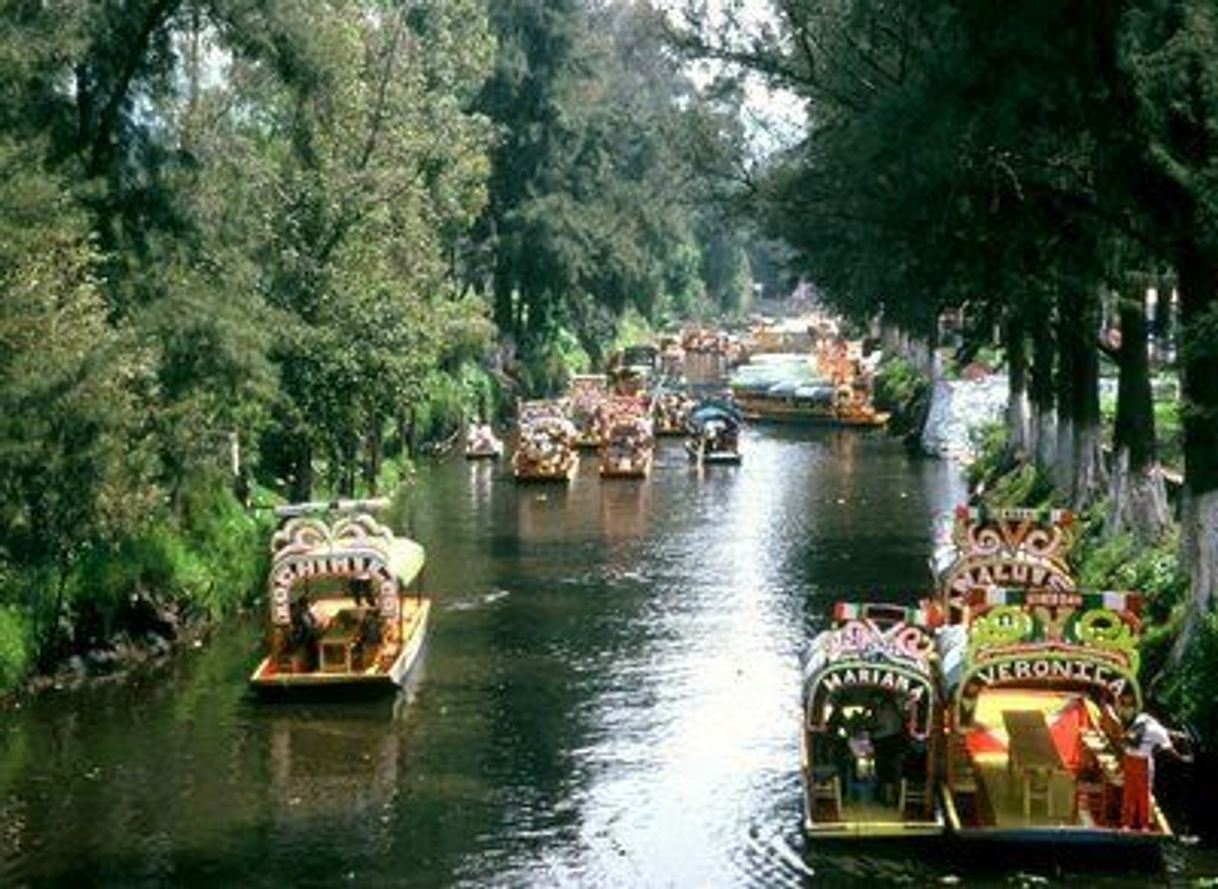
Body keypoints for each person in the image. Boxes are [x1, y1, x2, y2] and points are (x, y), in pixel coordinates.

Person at [1121, 711, 1191, 830]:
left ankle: (1125, 824)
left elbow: (1154, 743)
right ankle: (1144, 825)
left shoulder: (1144, 719)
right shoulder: (1161, 734)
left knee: (1129, 791)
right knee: (1143, 793)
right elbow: (1169, 750)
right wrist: (1182, 758)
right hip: (1141, 761)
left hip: (1128, 757)